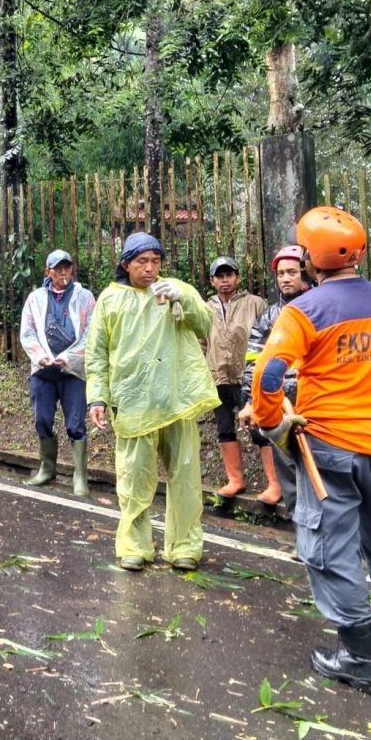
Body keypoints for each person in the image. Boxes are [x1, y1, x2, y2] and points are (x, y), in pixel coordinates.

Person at [251, 205, 371, 696]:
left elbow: (267, 374)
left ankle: (361, 656)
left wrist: (270, 420)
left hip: (330, 449)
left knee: (330, 549)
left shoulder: (304, 310)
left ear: (310, 258)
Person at [85, 232, 218, 572]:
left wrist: (183, 298)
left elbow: (204, 325)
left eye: (155, 261)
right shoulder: (110, 301)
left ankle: (185, 547)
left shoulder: (172, 291)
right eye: (141, 262)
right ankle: (135, 545)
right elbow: (96, 353)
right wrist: (97, 396)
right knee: (133, 479)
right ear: (125, 264)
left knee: (185, 477)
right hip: (132, 402)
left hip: (176, 399)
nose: (149, 268)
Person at [237, 245, 311, 512]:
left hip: (313, 399)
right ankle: (301, 534)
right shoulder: (269, 315)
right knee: (288, 469)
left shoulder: (318, 308)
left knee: (317, 467)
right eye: (281, 274)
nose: (285, 279)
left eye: (292, 272)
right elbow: (254, 360)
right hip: (279, 402)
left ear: (306, 272)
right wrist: (249, 401)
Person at [19, 249, 96, 496]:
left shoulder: (85, 297)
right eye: (57, 269)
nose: (63, 273)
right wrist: (40, 356)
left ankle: (80, 475)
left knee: (75, 423)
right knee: (42, 419)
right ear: (48, 271)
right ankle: (47, 467)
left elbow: (90, 334)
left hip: (72, 372)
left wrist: (68, 358)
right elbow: (28, 332)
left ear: (72, 269)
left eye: (67, 268)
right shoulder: (35, 298)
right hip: (43, 372)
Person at [203, 256, 267, 499]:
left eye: (229, 275)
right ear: (212, 281)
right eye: (220, 276)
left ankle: (274, 484)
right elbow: (201, 341)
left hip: (247, 377)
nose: (225, 280)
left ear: (237, 278)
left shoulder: (255, 304)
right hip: (218, 376)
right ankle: (235, 480)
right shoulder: (206, 308)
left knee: (258, 428)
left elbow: (266, 337)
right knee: (224, 427)